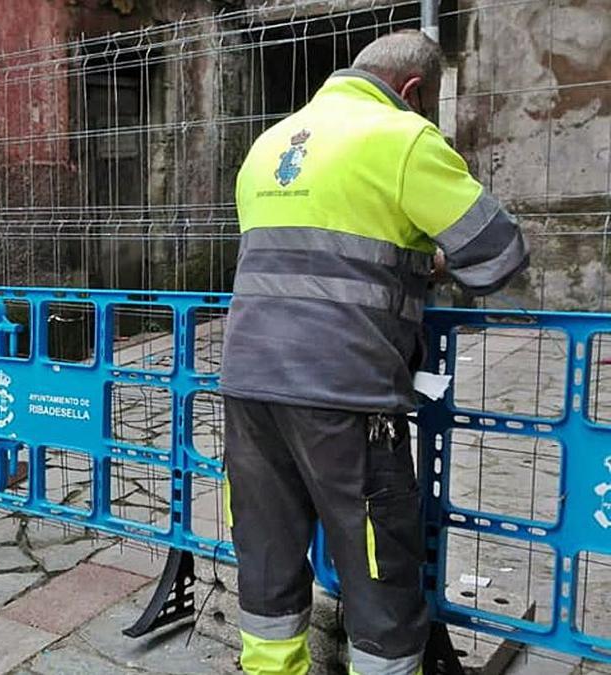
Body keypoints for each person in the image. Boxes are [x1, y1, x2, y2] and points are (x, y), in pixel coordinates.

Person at [219, 30, 529, 675]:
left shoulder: (271, 141)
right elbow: (499, 254)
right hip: (345, 392)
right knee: (378, 567)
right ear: (413, 91)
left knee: (267, 549)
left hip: (248, 384)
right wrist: (429, 261)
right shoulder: (402, 138)